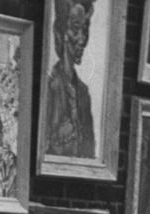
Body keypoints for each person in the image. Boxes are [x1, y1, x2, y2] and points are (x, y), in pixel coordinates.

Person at [45, 0, 95, 159]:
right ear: (60, 32)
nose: (82, 39)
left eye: (85, 30)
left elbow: (90, 155)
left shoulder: (83, 93)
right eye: (75, 28)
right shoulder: (49, 88)